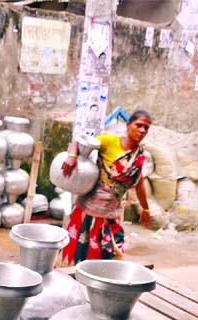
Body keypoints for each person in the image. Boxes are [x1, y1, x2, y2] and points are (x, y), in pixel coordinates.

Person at [60, 110, 153, 264]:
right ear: (129, 125)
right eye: (139, 125)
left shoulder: (138, 155)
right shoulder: (110, 141)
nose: (142, 130)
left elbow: (139, 183)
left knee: (107, 254)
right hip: (88, 207)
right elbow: (79, 142)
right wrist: (71, 157)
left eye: (146, 128)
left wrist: (145, 209)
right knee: (78, 249)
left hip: (111, 212)